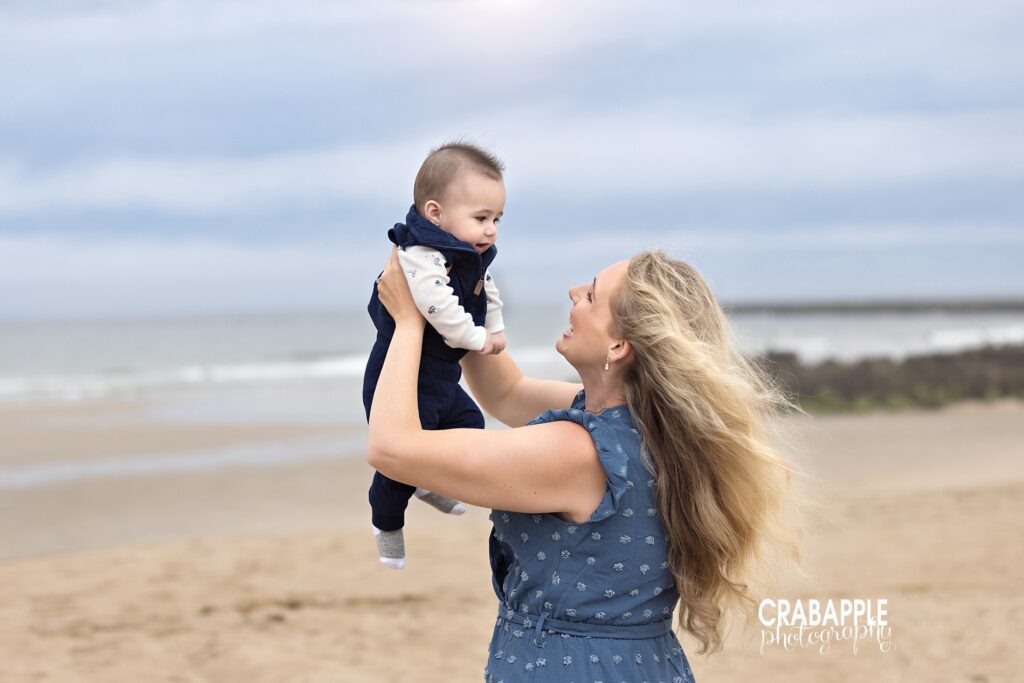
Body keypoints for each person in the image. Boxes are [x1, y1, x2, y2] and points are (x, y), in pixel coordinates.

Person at [368, 248, 800, 681]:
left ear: (619, 344)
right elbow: (507, 393)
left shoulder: (578, 452)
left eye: (591, 296)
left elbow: (392, 449)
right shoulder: (653, 423)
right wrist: (452, 301)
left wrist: (407, 322)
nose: (574, 293)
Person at [363, 141, 510, 569]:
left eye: (497, 219)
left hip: (441, 377)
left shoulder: (468, 256)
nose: (491, 230)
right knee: (398, 464)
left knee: (469, 425)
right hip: (402, 376)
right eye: (481, 218)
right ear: (435, 214)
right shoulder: (422, 255)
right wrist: (475, 338)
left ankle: (428, 481)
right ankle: (386, 523)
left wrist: (495, 329)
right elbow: (434, 305)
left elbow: (489, 291)